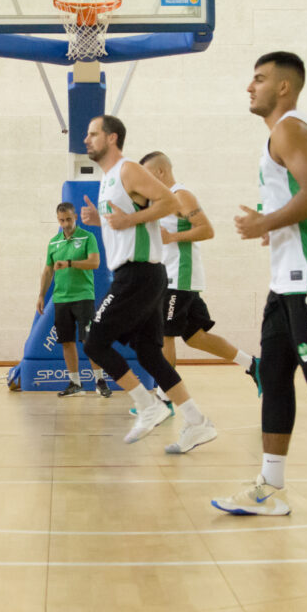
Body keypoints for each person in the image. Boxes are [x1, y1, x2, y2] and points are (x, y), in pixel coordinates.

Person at [212, 51, 307, 516]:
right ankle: (270, 488)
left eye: (258, 79)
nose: (248, 87)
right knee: (273, 378)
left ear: (283, 88)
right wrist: (279, 227)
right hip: (287, 282)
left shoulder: (290, 128)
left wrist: (266, 223)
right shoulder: (292, 133)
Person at [79, 115, 218, 453]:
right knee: (149, 353)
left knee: (95, 343)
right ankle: (197, 423)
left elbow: (169, 201)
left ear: (112, 138)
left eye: (93, 133)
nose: (87, 139)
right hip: (143, 275)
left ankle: (148, 405)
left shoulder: (127, 169)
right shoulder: (108, 178)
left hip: (138, 275)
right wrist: (103, 221)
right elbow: (126, 225)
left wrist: (129, 219)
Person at [137, 151, 259, 413]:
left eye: (147, 174)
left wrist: (172, 238)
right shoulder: (160, 200)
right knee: (195, 338)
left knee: (164, 335)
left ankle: (163, 400)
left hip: (179, 276)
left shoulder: (181, 195)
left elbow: (206, 229)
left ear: (160, 172)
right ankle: (253, 365)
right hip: (170, 276)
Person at [36, 202, 111, 398]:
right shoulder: (53, 242)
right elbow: (47, 270)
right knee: (66, 341)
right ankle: (75, 383)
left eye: (68, 219)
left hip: (83, 296)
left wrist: (70, 263)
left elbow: (95, 263)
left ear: (75, 217)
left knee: (89, 340)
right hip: (61, 298)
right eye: (61, 220)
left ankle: (100, 381)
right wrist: (41, 295)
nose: (65, 223)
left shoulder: (88, 237)